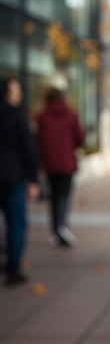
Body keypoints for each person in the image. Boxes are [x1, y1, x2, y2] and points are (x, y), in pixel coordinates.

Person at [0, 77, 39, 286]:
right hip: (13, 177)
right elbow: (29, 149)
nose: (19, 95)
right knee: (16, 224)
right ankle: (13, 269)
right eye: (16, 91)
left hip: (11, 175)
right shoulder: (17, 116)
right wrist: (33, 178)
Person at [36, 87, 85, 247]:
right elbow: (79, 138)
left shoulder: (42, 117)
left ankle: (56, 229)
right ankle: (62, 228)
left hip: (49, 164)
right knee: (63, 196)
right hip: (66, 163)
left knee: (54, 197)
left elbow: (38, 141)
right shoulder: (71, 116)